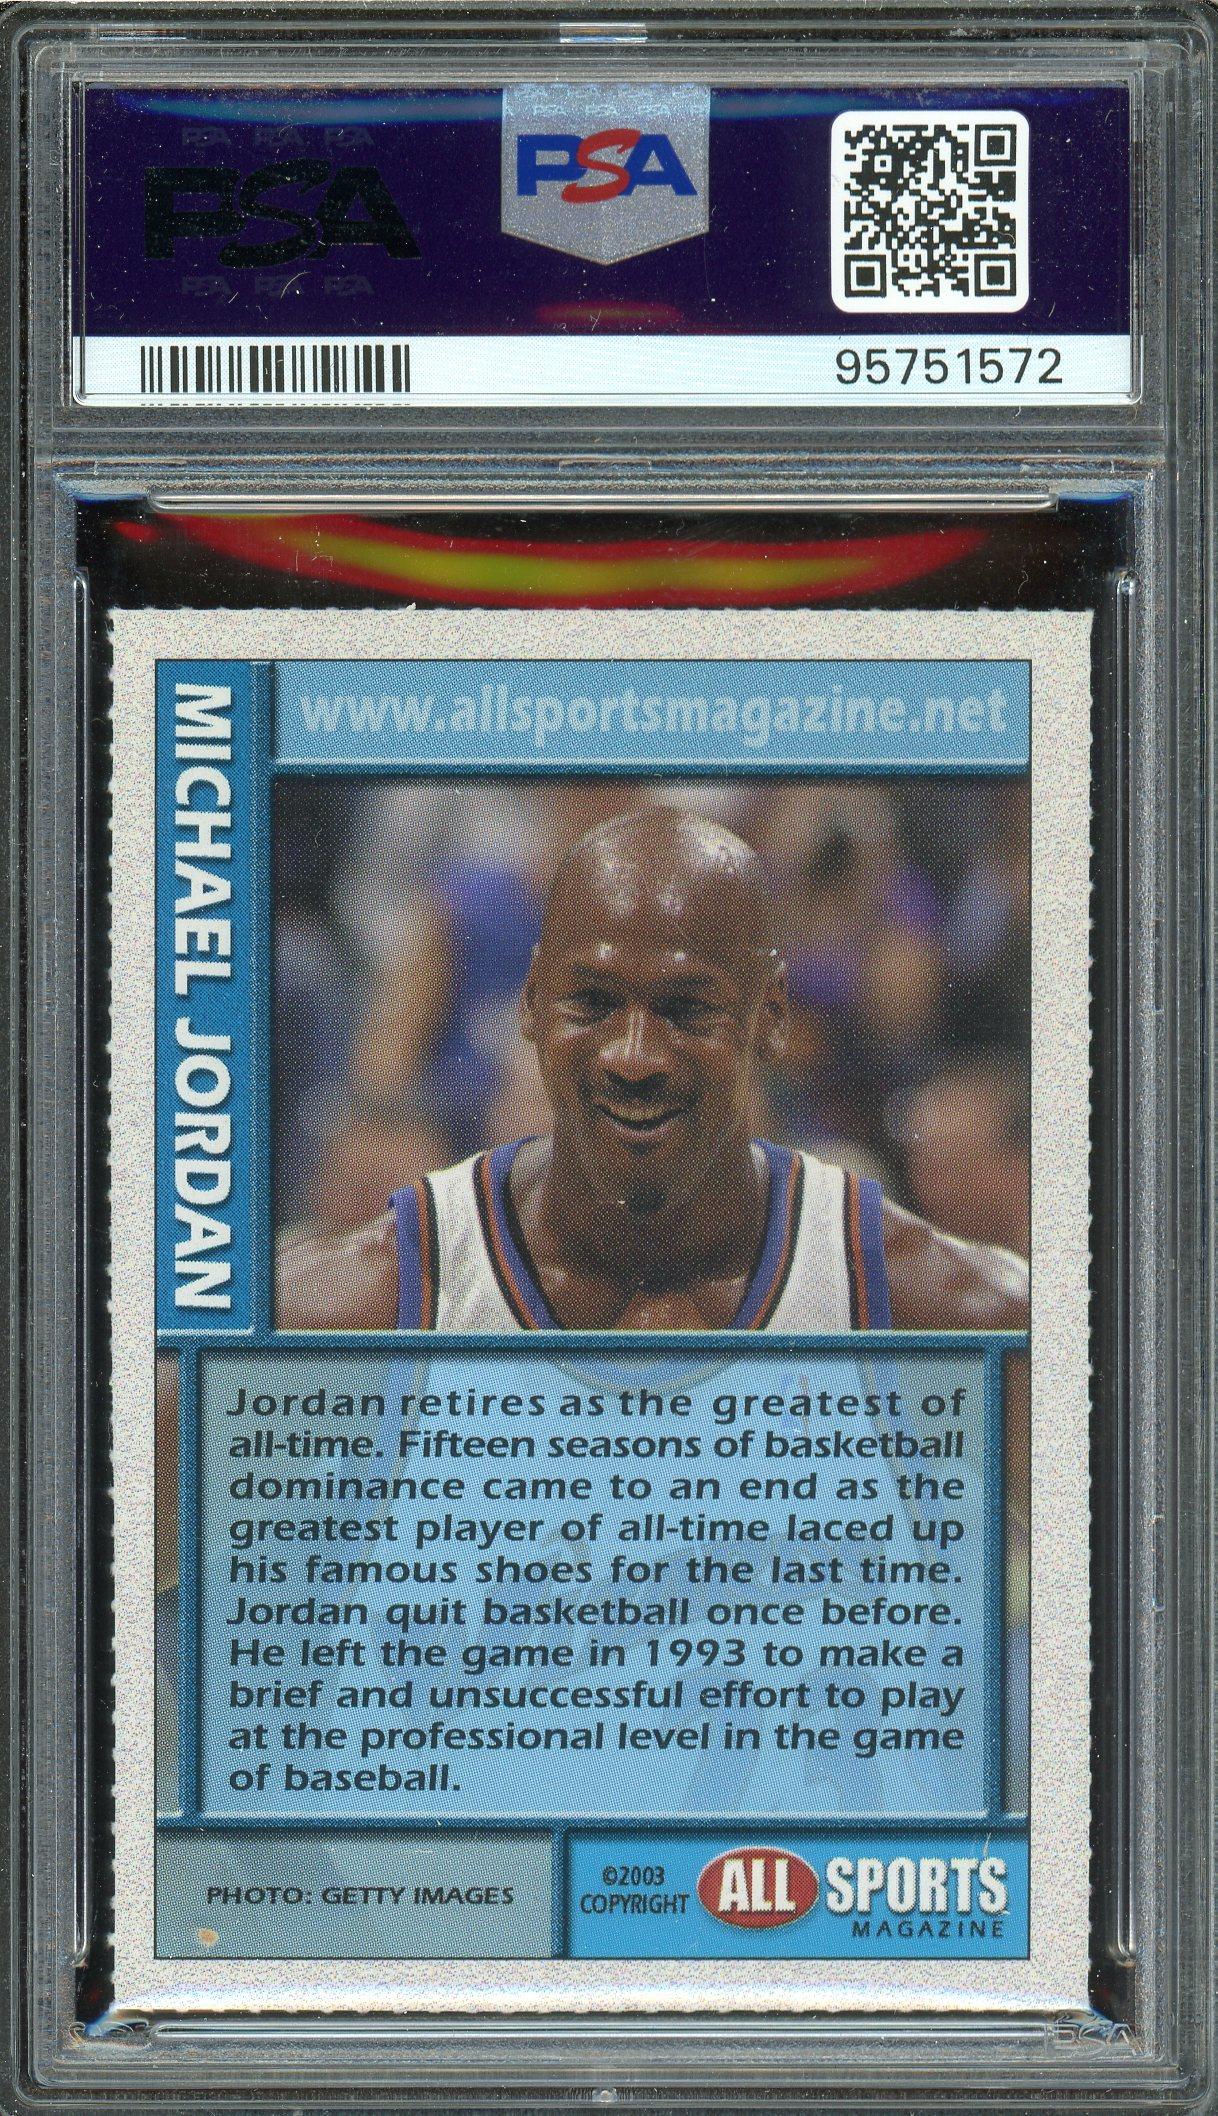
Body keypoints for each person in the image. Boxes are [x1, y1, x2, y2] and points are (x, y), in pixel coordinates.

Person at [277, 807, 1028, 1334]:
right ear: (532, 1003)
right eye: (592, 1003)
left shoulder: (955, 1312)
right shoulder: (350, 1307)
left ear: (771, 1017)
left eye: (686, 1008)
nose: (634, 1056)